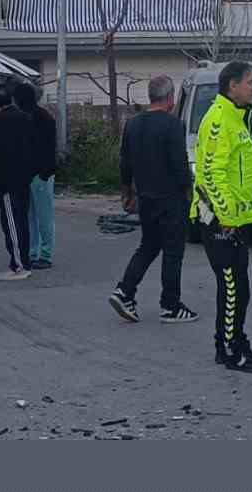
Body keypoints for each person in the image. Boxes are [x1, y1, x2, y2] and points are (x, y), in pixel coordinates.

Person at [192, 61, 252, 373]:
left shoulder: (237, 118)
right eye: (250, 82)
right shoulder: (219, 119)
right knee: (233, 287)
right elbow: (210, 173)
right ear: (232, 86)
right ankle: (228, 350)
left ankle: (235, 339)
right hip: (221, 222)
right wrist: (226, 216)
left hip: (236, 220)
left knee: (240, 287)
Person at [109, 75, 198, 324]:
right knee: (173, 252)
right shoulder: (173, 125)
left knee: (148, 246)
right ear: (170, 98)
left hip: (146, 198)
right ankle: (171, 305)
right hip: (170, 199)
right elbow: (180, 167)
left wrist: (127, 192)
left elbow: (124, 162)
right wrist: (190, 193)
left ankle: (125, 290)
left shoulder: (133, 124)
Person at [0, 82, 36, 281]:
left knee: (11, 223)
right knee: (22, 221)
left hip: (8, 181)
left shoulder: (0, 122)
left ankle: (18, 265)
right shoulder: (25, 118)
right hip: (24, 179)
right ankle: (24, 260)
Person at [23, 84, 58, 270]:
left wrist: (44, 173)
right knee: (36, 216)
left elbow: (47, 148)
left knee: (40, 217)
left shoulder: (41, 118)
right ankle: (35, 252)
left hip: (39, 174)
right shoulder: (42, 116)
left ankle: (43, 254)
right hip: (38, 174)